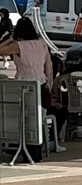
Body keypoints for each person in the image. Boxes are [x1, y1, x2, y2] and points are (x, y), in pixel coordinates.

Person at [0, 17, 53, 162]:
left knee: (22, 120)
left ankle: (20, 150)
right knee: (36, 120)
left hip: (23, 84)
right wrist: (47, 81)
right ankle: (36, 153)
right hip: (40, 83)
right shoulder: (41, 43)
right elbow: (48, 65)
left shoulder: (18, 46)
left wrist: (9, 39)